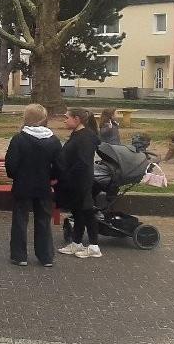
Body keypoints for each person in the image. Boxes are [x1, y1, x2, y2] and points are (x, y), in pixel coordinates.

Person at [5, 104, 62, 267]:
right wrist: (51, 178)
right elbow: (60, 166)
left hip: (22, 185)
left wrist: (16, 176)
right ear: (44, 119)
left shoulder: (19, 139)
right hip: (43, 186)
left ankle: (19, 255)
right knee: (43, 220)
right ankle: (46, 256)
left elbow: (11, 165)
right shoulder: (53, 140)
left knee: (20, 220)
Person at [56, 108, 103, 259]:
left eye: (67, 117)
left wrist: (68, 175)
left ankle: (94, 246)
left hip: (81, 180)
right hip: (74, 181)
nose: (64, 120)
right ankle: (77, 242)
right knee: (77, 211)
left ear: (77, 119)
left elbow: (82, 162)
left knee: (87, 211)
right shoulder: (77, 134)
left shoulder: (86, 137)